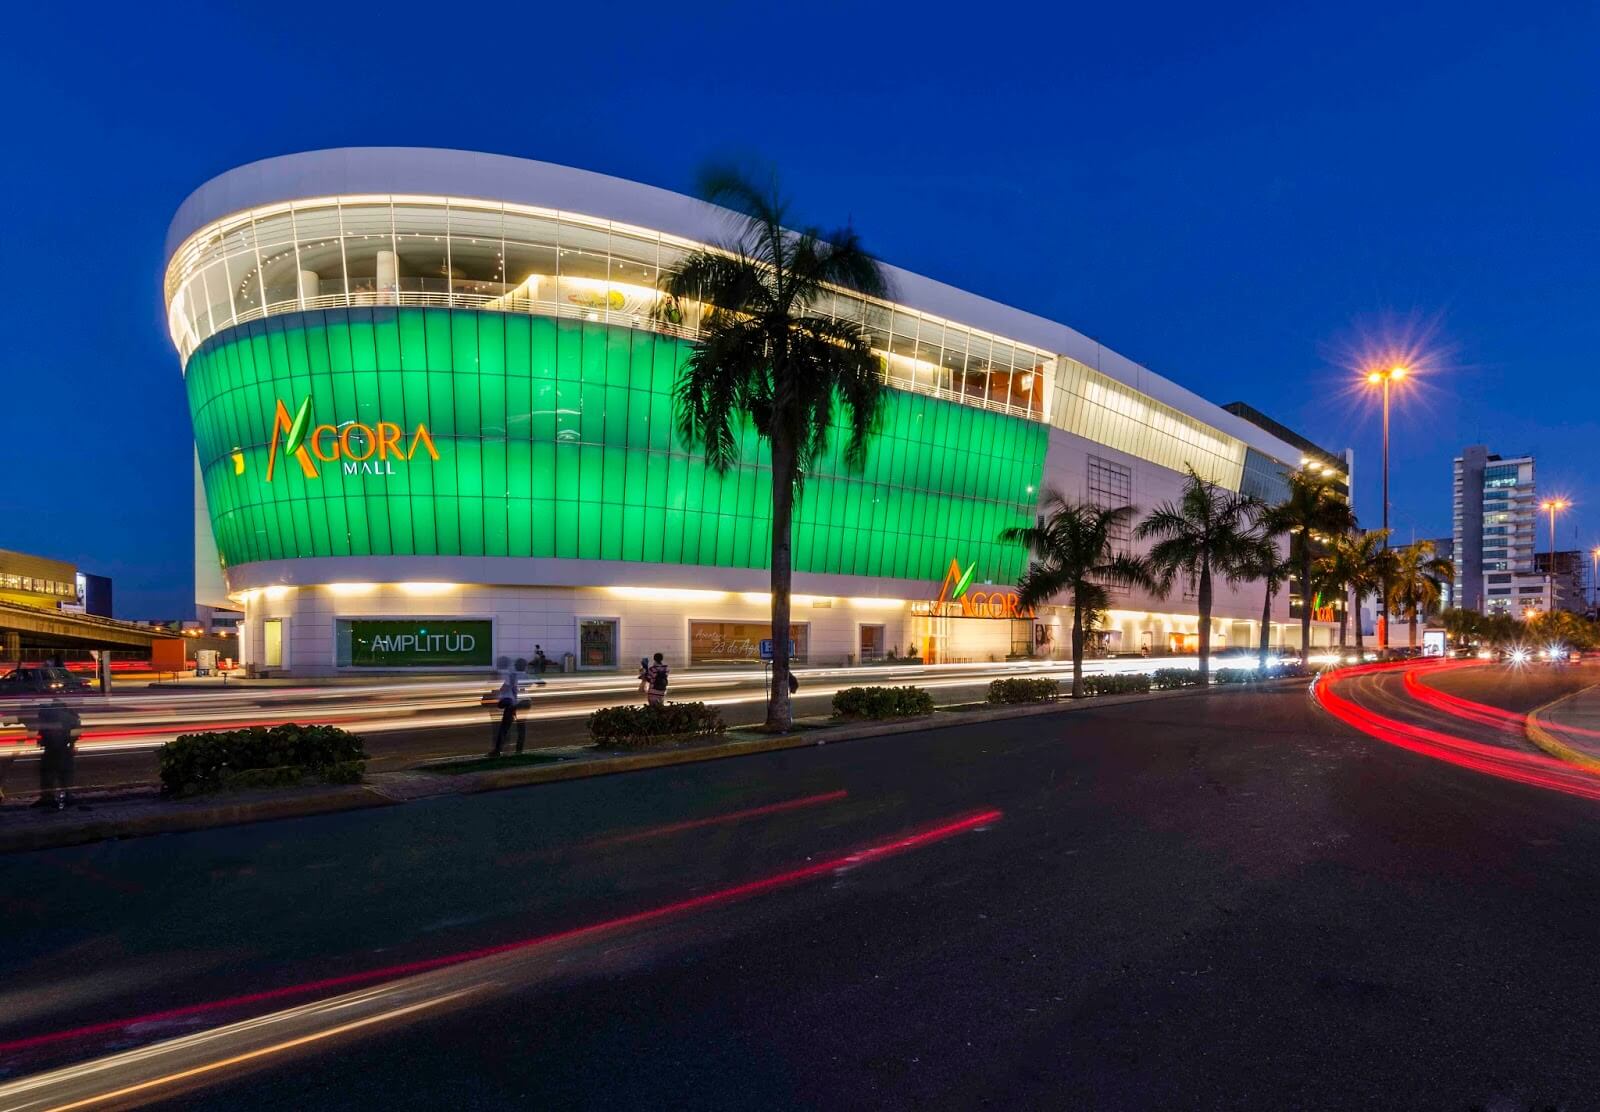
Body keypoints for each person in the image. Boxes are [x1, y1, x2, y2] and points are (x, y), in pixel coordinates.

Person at [34, 699, 80, 811]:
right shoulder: (71, 716)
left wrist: (42, 741)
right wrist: (72, 744)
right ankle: (67, 796)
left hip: (50, 749)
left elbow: (42, 731)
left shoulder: (47, 715)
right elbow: (76, 732)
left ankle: (48, 797)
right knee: (65, 775)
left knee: (48, 775)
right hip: (64, 748)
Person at [490, 672, 524, 757]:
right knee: (505, 730)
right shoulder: (512, 686)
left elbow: (504, 699)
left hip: (509, 708)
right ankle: (502, 750)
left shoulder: (509, 686)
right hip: (510, 708)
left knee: (503, 730)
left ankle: (498, 750)